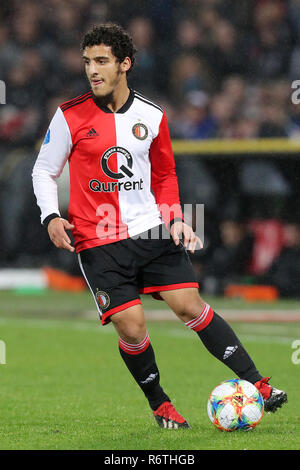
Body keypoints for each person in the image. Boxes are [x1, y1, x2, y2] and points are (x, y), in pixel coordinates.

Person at [32, 23, 287, 429]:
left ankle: (260, 384)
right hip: (98, 240)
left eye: (102, 61)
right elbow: (44, 170)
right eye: (87, 63)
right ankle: (161, 405)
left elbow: (165, 177)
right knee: (132, 329)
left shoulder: (152, 116)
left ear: (125, 64)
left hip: (150, 230)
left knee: (190, 305)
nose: (92, 71)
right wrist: (51, 216)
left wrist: (176, 219)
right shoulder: (68, 116)